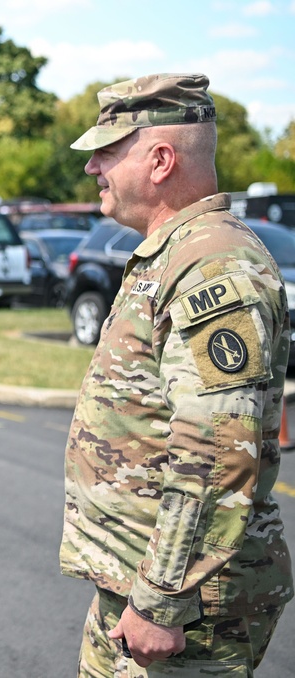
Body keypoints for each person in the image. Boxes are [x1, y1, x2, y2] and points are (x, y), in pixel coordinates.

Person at [60, 73, 293, 677]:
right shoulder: (173, 253)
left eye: (107, 152)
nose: (93, 169)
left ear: (160, 159)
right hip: (143, 588)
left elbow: (217, 452)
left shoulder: (214, 264)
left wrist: (161, 599)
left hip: (189, 611)